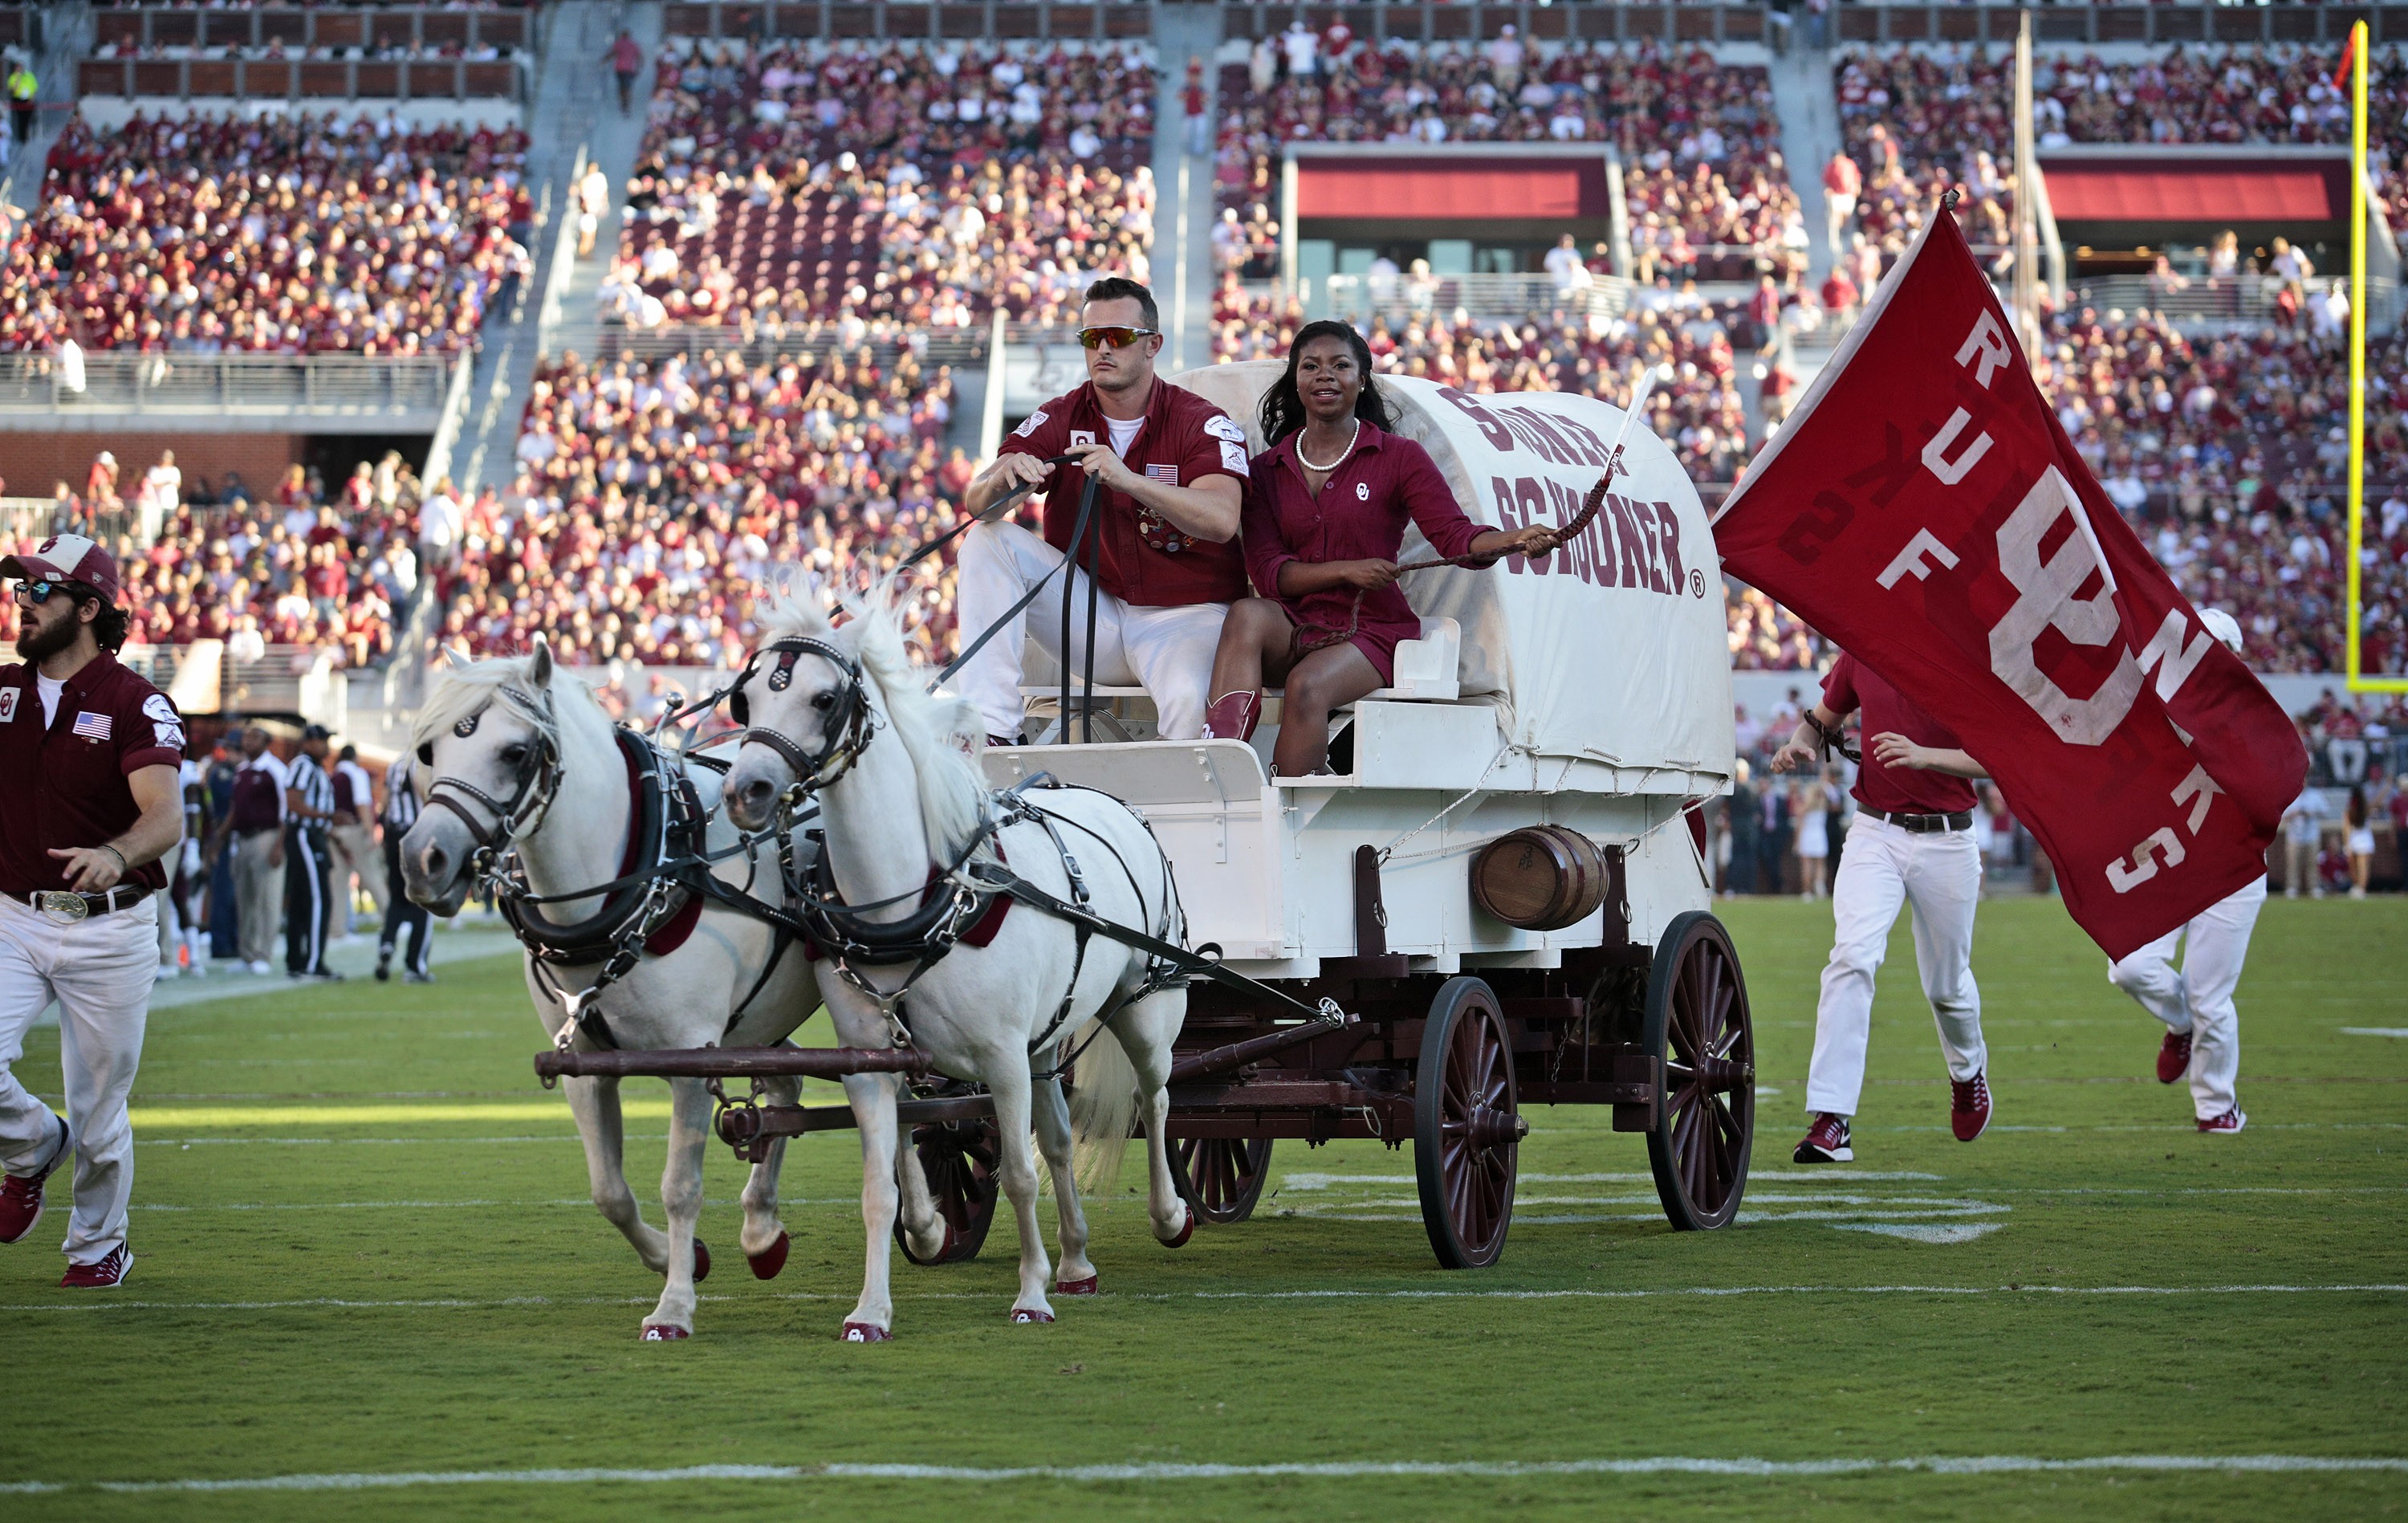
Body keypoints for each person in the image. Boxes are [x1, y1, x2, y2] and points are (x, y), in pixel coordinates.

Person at [1203, 320, 1558, 776]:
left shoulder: (1400, 457)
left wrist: (1511, 539)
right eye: (1310, 366)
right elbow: (1271, 574)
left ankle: (1287, 807)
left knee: (1307, 685)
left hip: (1372, 629)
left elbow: (1455, 538)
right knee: (1247, 613)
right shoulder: (1265, 470)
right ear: (1296, 380)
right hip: (1293, 622)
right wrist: (1347, 570)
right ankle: (1220, 770)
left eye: (1340, 365)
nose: (1324, 375)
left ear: (1362, 378)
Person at [0, 533, 187, 1289]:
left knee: (102, 1109)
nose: (22, 601)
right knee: (70, 1116)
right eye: (20, 589)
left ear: (88, 606)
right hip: (12, 914)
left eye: (39, 590)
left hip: (109, 924)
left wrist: (116, 851)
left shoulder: (135, 700)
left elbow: (165, 815)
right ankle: (35, 1142)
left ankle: (98, 1244)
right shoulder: (3, 692)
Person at [954, 277, 1250, 744]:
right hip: (1095, 615)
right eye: (1092, 338)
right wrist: (1006, 482)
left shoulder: (1201, 420)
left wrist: (1128, 479)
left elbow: (1221, 519)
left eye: (1119, 337)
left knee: (1191, 706)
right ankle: (991, 733)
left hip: (1185, 617)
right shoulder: (1060, 414)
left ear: (1153, 345)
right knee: (987, 540)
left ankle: (1180, 814)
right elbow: (977, 503)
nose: (1103, 349)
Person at [1775, 650, 1993, 1163]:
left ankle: (1968, 1073)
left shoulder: (1967, 656)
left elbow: (1999, 758)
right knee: (1851, 957)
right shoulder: (1863, 650)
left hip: (1948, 838)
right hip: (1875, 831)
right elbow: (1818, 725)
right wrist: (1797, 745)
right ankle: (1832, 1117)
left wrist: (1925, 755)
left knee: (1948, 987)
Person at [2106, 608, 2265, 1136]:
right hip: (2169, 856)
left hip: (2232, 866)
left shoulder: (2252, 720)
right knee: (2128, 966)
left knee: (2211, 997)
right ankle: (2181, 1022)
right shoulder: (2152, 709)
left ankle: (2217, 1105)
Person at [216, 725, 287, 974]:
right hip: (242, 839)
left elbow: (286, 812)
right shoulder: (242, 771)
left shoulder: (275, 769)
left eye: (255, 737)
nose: (248, 741)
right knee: (244, 898)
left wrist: (279, 845)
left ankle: (263, 955)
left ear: (266, 742)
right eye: (246, 737)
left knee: (266, 897)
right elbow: (236, 809)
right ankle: (246, 954)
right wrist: (220, 838)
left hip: (265, 836)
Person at [283, 725, 340, 981]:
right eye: (322, 741)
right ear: (308, 742)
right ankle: (314, 963)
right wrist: (327, 816)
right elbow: (293, 802)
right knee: (319, 900)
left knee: (301, 901)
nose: (326, 746)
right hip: (305, 835)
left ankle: (296, 961)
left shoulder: (315, 768)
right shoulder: (303, 765)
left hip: (312, 835)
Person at [376, 749, 432, 983]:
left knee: (397, 899)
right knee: (424, 900)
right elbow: (424, 793)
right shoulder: (422, 763)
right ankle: (414, 965)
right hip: (416, 834)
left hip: (393, 835)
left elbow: (385, 801)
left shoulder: (395, 763)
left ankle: (388, 942)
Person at [329, 743, 384, 936]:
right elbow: (362, 804)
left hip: (334, 833)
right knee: (372, 876)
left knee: (338, 882)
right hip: (353, 830)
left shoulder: (333, 775)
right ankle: (392, 919)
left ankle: (338, 929)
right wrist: (370, 833)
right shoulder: (356, 774)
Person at [2281, 784, 2327, 898]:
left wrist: (2310, 813)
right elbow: (2282, 816)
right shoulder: (2289, 794)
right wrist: (2294, 814)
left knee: (2312, 863)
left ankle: (2314, 887)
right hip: (2294, 836)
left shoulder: (2315, 795)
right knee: (2293, 864)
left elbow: (2325, 811)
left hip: (2311, 835)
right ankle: (2292, 888)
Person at [1793, 766, 1832, 900]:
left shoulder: (1805, 807)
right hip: (1820, 834)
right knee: (1820, 864)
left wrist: (1797, 841)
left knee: (1807, 864)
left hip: (1808, 835)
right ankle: (1820, 887)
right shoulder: (1822, 803)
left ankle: (1808, 891)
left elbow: (1800, 824)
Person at [1823, 149, 1861, 257]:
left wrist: (1857, 186)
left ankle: (1845, 228)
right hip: (1836, 194)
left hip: (1848, 194)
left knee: (1847, 214)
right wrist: (1828, 189)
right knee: (1836, 216)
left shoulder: (1850, 164)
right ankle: (1837, 235)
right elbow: (1826, 180)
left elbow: (1856, 176)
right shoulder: (1830, 167)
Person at [2345, 784, 2374, 900]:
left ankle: (2358, 887)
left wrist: (2346, 844)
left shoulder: (2349, 810)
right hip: (2365, 840)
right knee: (2363, 867)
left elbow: (2346, 828)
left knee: (2355, 867)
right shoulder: (2365, 808)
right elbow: (2377, 802)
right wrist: (2387, 787)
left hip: (2354, 840)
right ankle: (2361, 889)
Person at [608, 30, 642, 115]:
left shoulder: (619, 44)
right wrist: (638, 68)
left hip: (620, 69)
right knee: (628, 88)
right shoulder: (633, 45)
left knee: (622, 87)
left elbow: (613, 54)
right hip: (629, 69)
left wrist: (604, 60)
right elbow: (640, 57)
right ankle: (626, 105)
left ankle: (623, 103)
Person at [6, 57, 34, 153]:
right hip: (18, 100)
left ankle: (27, 135)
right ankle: (22, 138)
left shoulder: (29, 76)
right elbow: (12, 90)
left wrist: (31, 98)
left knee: (27, 119)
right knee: (21, 119)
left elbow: (34, 88)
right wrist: (18, 79)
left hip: (28, 100)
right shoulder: (13, 77)